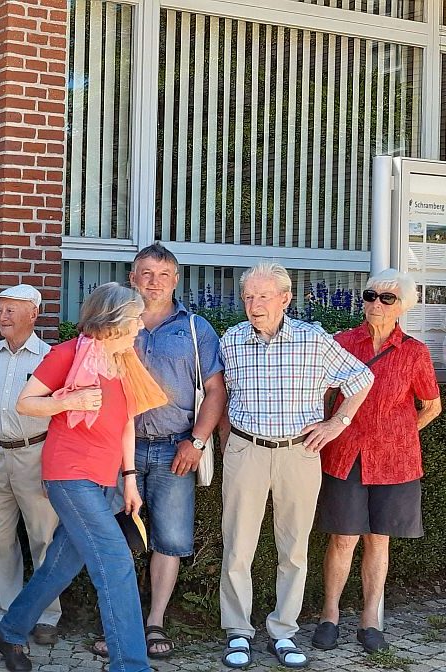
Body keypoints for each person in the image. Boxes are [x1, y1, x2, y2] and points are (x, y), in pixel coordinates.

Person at [0, 282, 167, 672]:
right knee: (116, 563)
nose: (140, 325)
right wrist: (68, 401)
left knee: (60, 564)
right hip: (69, 474)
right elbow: (25, 402)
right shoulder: (67, 354)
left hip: (106, 479)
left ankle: (11, 631)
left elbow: (126, 422)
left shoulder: (124, 360)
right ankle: (130, 665)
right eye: (135, 318)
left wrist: (130, 478)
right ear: (114, 320)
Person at [218, 262, 374, 670]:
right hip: (245, 450)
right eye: (248, 297)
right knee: (237, 546)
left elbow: (361, 379)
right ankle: (238, 631)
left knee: (294, 550)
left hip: (298, 453)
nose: (254, 305)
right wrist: (225, 445)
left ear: (285, 299)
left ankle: (283, 631)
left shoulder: (314, 340)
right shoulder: (231, 340)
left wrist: (336, 422)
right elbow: (221, 397)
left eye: (263, 296)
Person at [311, 269, 441, 654]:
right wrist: (326, 427)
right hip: (345, 454)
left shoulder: (415, 352)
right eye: (371, 296)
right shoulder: (341, 343)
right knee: (342, 538)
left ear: (402, 306)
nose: (376, 304)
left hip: (394, 462)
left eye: (387, 299)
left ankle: (370, 620)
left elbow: (432, 406)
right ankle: (329, 615)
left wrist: (401, 435)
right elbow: (322, 394)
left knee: (378, 539)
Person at [116, 243, 226, 659]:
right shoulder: (116, 322)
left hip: (174, 451)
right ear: (132, 277)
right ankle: (119, 621)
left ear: (176, 280)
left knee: (170, 538)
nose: (154, 282)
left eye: (163, 275)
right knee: (118, 538)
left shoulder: (196, 329)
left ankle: (155, 620)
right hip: (120, 451)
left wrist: (196, 441)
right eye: (146, 273)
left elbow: (215, 390)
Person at [0, 284, 60, 645]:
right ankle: (3, 612)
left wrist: (53, 464)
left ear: (33, 314)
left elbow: (60, 417)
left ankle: (46, 616)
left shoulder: (49, 357)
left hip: (35, 454)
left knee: (43, 537)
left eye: (10, 309)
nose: (2, 316)